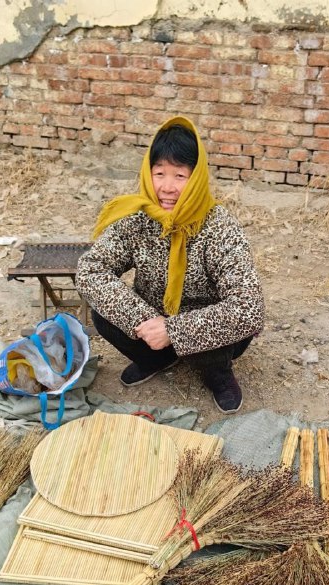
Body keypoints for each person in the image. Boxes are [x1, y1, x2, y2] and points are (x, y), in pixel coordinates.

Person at [76, 115, 265, 414]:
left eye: (180, 176)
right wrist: (144, 320)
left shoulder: (218, 227)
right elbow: (90, 269)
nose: (167, 187)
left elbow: (249, 308)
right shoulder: (137, 218)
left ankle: (218, 374)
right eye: (159, 173)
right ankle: (157, 358)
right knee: (104, 312)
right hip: (151, 317)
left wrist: (175, 330)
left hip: (202, 325)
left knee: (223, 333)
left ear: (197, 177)